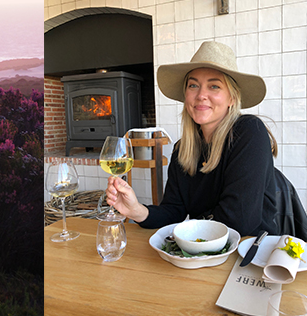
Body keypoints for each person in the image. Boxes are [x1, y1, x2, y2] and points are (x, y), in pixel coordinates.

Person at [105, 41, 307, 239]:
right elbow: (173, 211)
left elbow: (239, 221)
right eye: (194, 85)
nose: (201, 95)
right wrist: (137, 210)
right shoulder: (182, 150)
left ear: (232, 99)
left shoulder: (249, 132)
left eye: (214, 86)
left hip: (248, 257)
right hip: (202, 254)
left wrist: (184, 236)